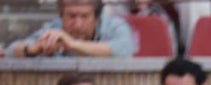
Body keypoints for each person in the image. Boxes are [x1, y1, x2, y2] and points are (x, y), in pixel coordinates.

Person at [6, 0, 134, 58]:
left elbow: (125, 50)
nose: (77, 24)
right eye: (72, 16)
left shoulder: (114, 26)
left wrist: (72, 44)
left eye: (84, 17)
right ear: (61, 16)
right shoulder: (54, 28)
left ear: (96, 18)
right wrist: (35, 49)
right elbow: (10, 53)